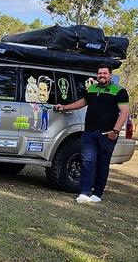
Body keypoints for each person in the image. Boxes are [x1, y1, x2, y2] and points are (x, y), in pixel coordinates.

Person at [55, 64, 130, 203]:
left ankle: (97, 194)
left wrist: (115, 131)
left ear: (110, 75)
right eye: (100, 73)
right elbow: (82, 102)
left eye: (104, 73)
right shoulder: (91, 88)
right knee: (87, 161)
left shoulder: (119, 91)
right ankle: (84, 193)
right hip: (89, 133)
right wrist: (64, 107)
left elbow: (124, 112)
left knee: (102, 163)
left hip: (107, 134)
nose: (102, 75)